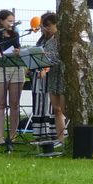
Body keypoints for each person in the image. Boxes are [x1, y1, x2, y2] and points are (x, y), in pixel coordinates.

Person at [0, 9, 23, 146]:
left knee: (15, 104)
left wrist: (18, 51)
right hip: (0, 66)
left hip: (15, 66)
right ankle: (0, 138)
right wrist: (0, 59)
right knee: (1, 103)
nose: (11, 23)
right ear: (1, 21)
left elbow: (18, 48)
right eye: (9, 21)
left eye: (13, 21)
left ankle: (13, 136)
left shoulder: (15, 34)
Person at [38, 12, 66, 145]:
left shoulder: (63, 38)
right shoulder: (46, 40)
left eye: (49, 25)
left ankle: (71, 136)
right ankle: (60, 139)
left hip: (63, 75)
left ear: (56, 24)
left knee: (65, 109)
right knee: (56, 109)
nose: (47, 28)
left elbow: (61, 57)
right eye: (45, 25)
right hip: (53, 76)